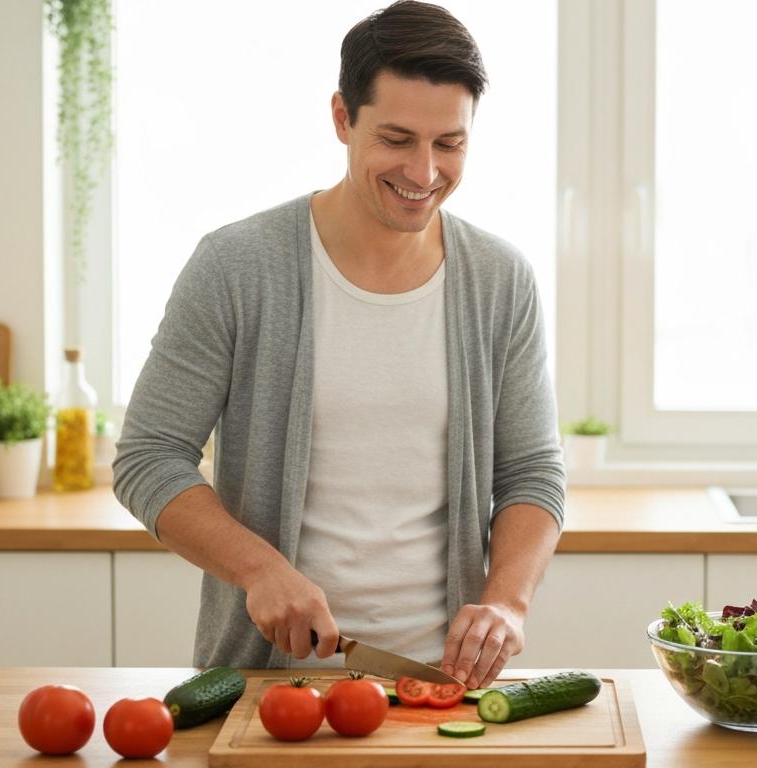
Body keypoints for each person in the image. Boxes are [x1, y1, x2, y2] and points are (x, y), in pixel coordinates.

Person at [112, 0, 565, 691]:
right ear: (341, 119)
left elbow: (532, 471)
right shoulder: (238, 266)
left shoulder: (501, 281)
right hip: (268, 686)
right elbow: (148, 457)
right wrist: (260, 569)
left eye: (450, 143)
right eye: (397, 139)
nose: (423, 172)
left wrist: (507, 601)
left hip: (440, 685)